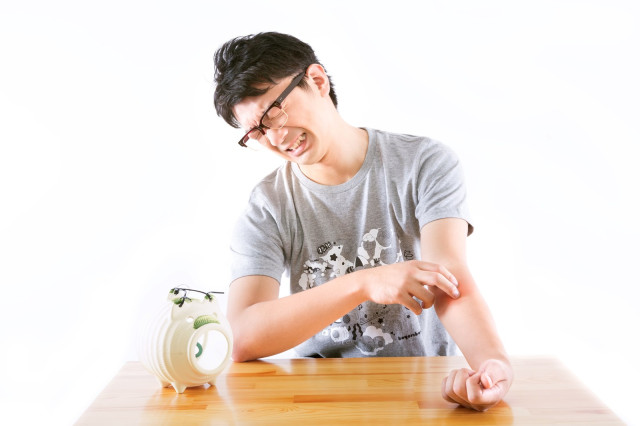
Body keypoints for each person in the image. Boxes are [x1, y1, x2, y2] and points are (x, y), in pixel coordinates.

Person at [213, 32, 513, 411]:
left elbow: (449, 280)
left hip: (425, 390)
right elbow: (241, 335)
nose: (275, 137)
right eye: (257, 131)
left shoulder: (423, 164)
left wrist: (492, 366)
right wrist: (363, 283)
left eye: (274, 112)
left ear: (317, 81)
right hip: (317, 398)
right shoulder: (267, 206)